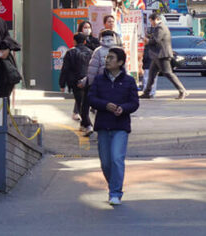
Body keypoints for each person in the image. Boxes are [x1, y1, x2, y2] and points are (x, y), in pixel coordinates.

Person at [87, 47, 140, 205]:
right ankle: (113, 186)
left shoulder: (129, 81)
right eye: (107, 57)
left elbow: (134, 103)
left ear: (120, 62)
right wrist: (105, 105)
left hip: (120, 125)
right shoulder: (99, 80)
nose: (107, 60)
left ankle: (115, 192)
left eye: (111, 58)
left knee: (117, 159)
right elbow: (91, 98)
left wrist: (123, 108)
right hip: (103, 125)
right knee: (105, 162)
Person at [140, 12, 187, 100]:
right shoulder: (160, 27)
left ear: (156, 19)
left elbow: (156, 40)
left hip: (162, 54)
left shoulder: (160, 27)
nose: (151, 24)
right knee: (152, 74)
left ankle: (182, 91)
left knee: (168, 73)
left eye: (151, 21)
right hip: (157, 55)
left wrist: (147, 41)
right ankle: (147, 92)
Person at [60, 33, 93, 134]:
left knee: (80, 103)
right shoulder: (91, 52)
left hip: (75, 82)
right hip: (88, 80)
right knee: (86, 103)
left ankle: (88, 125)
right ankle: (84, 124)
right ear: (84, 41)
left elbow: (65, 69)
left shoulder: (70, 52)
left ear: (74, 41)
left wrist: (62, 83)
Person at [139, 33, 159, 98]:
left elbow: (146, 57)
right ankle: (152, 92)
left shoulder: (148, 47)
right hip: (154, 65)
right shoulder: (155, 46)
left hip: (148, 65)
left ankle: (147, 92)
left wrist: (142, 63)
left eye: (144, 40)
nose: (143, 41)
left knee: (147, 78)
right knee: (153, 79)